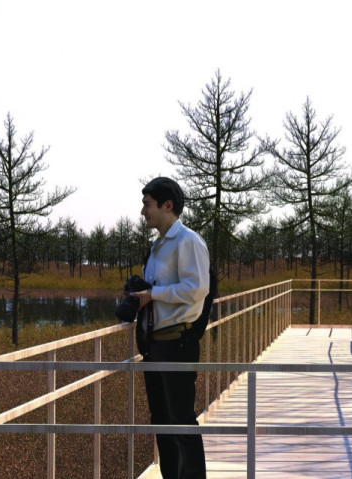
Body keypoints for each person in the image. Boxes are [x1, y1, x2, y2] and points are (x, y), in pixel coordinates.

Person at [132, 176, 210, 479]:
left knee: (180, 421)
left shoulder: (188, 241)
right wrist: (143, 292)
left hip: (178, 342)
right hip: (155, 344)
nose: (143, 212)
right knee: (162, 421)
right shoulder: (156, 247)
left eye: (147, 205)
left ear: (168, 205)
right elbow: (164, 289)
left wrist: (153, 294)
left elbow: (196, 289)